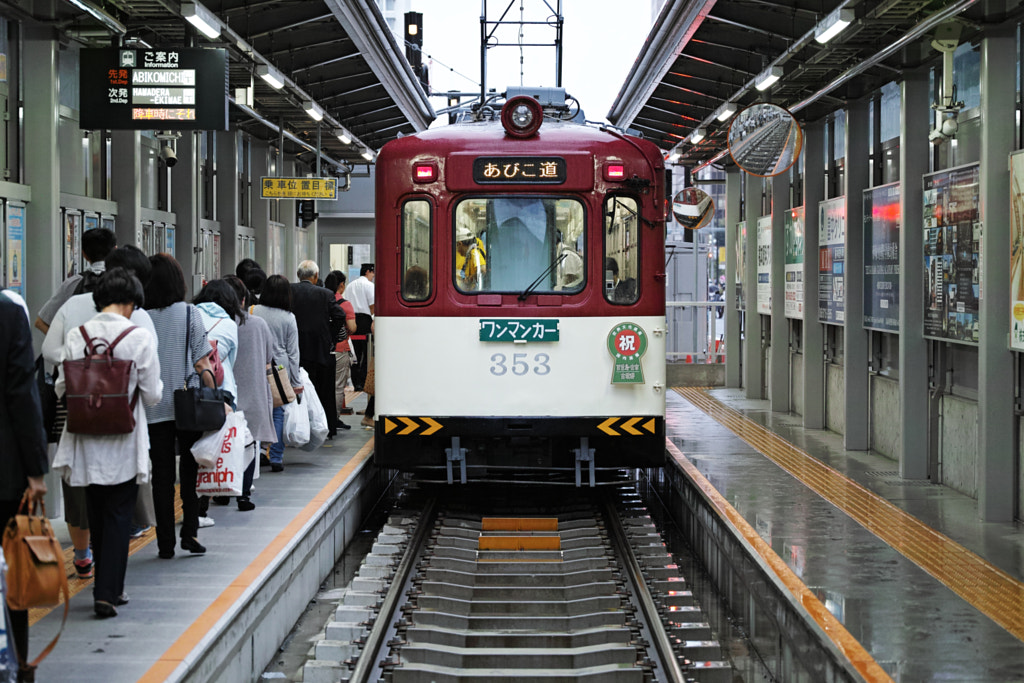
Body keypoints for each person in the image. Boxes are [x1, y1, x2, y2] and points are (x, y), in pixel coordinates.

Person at [41, 245, 158, 577]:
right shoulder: (140, 321)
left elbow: (50, 352)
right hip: (124, 423)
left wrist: (81, 374)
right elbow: (151, 388)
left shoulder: (74, 311)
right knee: (119, 504)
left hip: (78, 414)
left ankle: (82, 556)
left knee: (81, 498)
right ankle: (111, 581)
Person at [143, 254, 216, 559]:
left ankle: (164, 543)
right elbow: (202, 361)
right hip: (187, 404)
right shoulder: (190, 314)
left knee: (160, 474)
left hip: (152, 405)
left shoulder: (141, 316)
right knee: (188, 469)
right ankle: (189, 532)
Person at [0, 289, 48, 679]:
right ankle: (15, 663)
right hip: (3, 474)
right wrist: (35, 469)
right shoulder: (7, 313)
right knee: (12, 572)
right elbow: (21, 393)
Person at [221, 276, 276, 509]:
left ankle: (221, 490)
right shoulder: (258, 324)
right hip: (253, 390)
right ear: (243, 300)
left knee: (222, 442)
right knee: (248, 443)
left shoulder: (216, 324)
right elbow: (268, 357)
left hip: (224, 394)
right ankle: (243, 493)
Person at [192, 280, 241, 525]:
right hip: (221, 392)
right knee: (215, 446)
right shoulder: (229, 324)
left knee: (194, 449)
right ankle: (218, 491)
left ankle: (195, 508)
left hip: (190, 390)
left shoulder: (191, 316)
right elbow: (230, 363)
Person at [251, 275, 302, 472]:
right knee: (278, 412)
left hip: (256, 365)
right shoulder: (289, 318)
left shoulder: (252, 311)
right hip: (279, 370)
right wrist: (296, 381)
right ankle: (276, 457)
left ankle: (258, 452)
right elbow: (293, 352)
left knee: (257, 411)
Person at [291, 260, 345, 440]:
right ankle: (328, 428)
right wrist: (330, 337)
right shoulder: (326, 294)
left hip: (295, 352)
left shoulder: (289, 291)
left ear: (299, 276)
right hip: (320, 351)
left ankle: (298, 428)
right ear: (315, 276)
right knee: (325, 391)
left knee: (297, 391)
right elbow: (340, 315)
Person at [34, 227, 117, 334]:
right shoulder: (126, 283)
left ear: (84, 254)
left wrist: (65, 344)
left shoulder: (73, 283)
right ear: (115, 250)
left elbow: (41, 322)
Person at [323, 270, 357, 423]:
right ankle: (334, 419)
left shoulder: (321, 300)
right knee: (337, 387)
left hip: (322, 349)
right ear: (341, 285)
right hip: (340, 348)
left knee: (322, 386)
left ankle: (323, 418)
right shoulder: (345, 304)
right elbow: (352, 327)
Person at [345, 263, 375, 391]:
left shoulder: (350, 286)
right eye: (372, 273)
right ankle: (362, 382)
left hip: (352, 320)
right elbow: (373, 306)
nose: (373, 276)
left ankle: (355, 381)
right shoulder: (369, 285)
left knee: (354, 354)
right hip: (365, 321)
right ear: (367, 272)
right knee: (366, 353)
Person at [456, 221, 486, 291]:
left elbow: (483, 269)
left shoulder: (474, 252)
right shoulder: (470, 254)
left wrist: (470, 279)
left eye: (456, 246)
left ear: (460, 244)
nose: (457, 250)